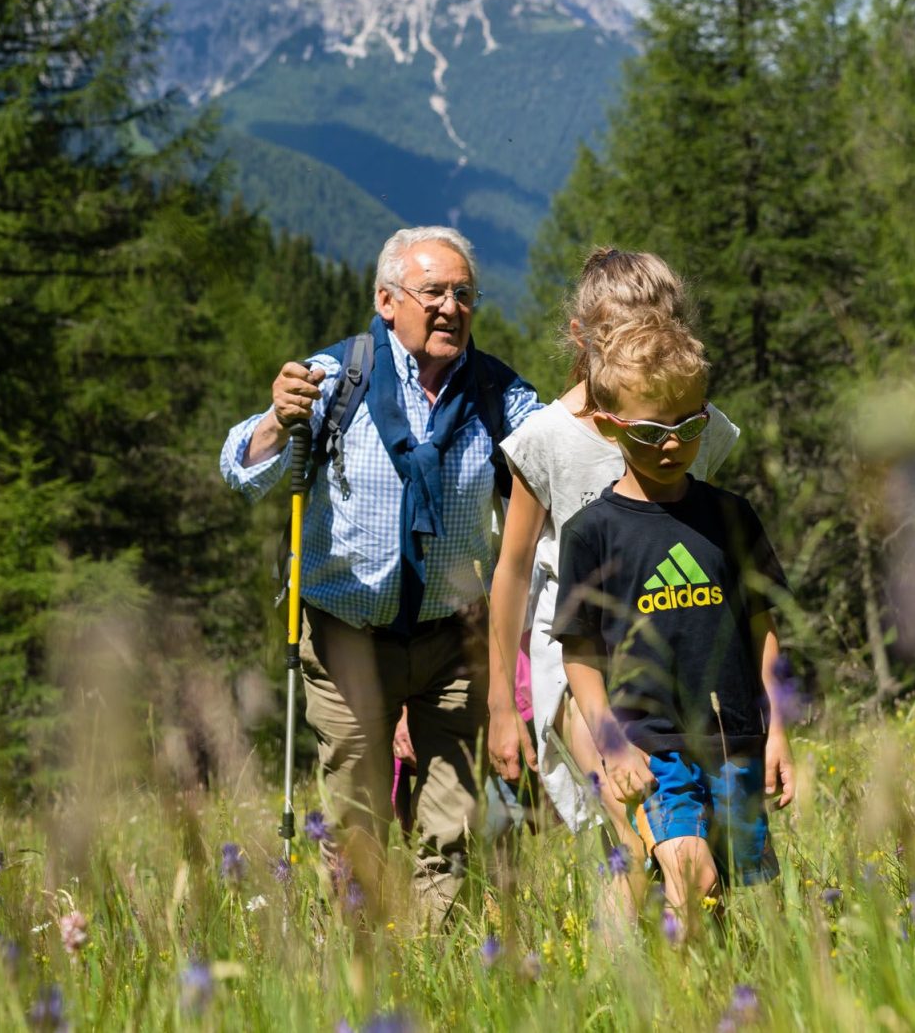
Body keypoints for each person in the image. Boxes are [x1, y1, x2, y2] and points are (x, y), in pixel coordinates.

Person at [219, 225, 539, 923]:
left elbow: (551, 447)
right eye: (435, 292)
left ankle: (435, 964)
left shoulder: (497, 393)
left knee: (450, 822)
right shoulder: (337, 378)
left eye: (465, 293)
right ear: (388, 301)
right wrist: (277, 421)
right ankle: (363, 963)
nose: (452, 306)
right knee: (357, 819)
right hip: (345, 638)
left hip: (452, 640)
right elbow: (238, 469)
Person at [553, 310, 795, 933]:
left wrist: (779, 731)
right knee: (691, 873)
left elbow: (762, 629)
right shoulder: (591, 534)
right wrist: (610, 744)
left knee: (750, 896)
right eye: (650, 430)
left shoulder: (731, 517)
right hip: (651, 745)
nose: (670, 444)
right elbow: (579, 654)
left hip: (735, 736)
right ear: (610, 428)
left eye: (689, 426)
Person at [485, 249, 741, 831]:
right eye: (622, 336)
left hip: (678, 660)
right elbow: (513, 569)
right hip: (580, 663)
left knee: (678, 851)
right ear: (582, 337)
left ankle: (643, 924)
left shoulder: (699, 424)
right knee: (642, 826)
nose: (641, 352)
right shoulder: (547, 439)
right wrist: (504, 702)